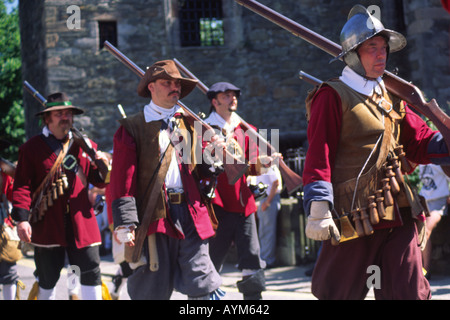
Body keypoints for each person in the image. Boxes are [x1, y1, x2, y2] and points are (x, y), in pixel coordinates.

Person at [302, 5, 450, 300]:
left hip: (398, 210)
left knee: (409, 292)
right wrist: (318, 205)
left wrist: (445, 141)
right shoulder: (331, 95)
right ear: (354, 53)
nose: (381, 54)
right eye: (372, 48)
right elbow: (320, 153)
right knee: (339, 293)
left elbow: (418, 140)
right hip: (354, 213)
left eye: (384, 48)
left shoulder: (392, 95)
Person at [110, 60, 225, 300]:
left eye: (177, 84)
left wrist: (214, 154)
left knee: (204, 286)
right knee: (151, 291)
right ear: (150, 87)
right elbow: (123, 180)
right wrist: (125, 223)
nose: (175, 88)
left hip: (192, 212)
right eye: (167, 83)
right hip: (153, 218)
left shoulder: (191, 123)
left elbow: (203, 171)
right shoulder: (132, 128)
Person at [11, 92, 109, 300]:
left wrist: (102, 165)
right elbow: (22, 188)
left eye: (68, 113)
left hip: (82, 222)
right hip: (47, 223)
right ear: (47, 119)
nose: (65, 117)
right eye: (59, 114)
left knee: (91, 272)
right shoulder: (31, 149)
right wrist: (21, 219)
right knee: (47, 277)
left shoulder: (85, 144)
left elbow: (100, 181)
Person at [204, 82, 279, 300]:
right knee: (210, 262)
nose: (232, 98)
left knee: (252, 260)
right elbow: (199, 168)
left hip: (243, 203)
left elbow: (251, 168)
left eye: (234, 95)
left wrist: (266, 162)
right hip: (216, 204)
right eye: (226, 96)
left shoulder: (248, 129)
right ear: (214, 102)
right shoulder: (202, 129)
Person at [0, 140, 23, 300]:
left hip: (3, 228)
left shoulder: (4, 170)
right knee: (9, 272)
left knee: (9, 272)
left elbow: (13, 195)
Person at [419, 163, 450, 277]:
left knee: (425, 230)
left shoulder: (439, 158)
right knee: (416, 230)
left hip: (438, 202)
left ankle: (425, 270)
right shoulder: (420, 159)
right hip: (423, 200)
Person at [255, 165, 282, 268]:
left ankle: (268, 259)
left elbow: (275, 183)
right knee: (263, 231)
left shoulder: (268, 165)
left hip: (268, 199)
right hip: (263, 199)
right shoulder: (263, 165)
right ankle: (264, 258)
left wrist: (267, 202)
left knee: (267, 231)